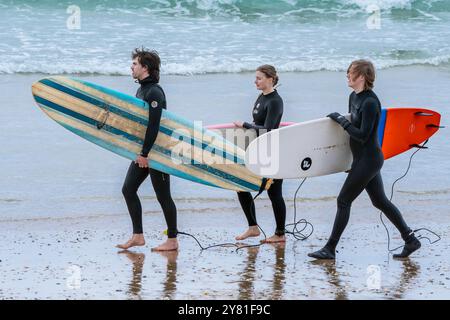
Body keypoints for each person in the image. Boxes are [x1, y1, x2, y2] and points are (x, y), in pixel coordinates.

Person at [308, 59, 421, 260]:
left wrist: (341, 120)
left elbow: (363, 135)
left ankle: (330, 248)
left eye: (350, 72)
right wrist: (347, 161)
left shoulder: (370, 102)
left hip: (370, 160)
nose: (347, 75)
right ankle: (410, 240)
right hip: (361, 160)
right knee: (380, 201)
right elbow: (352, 137)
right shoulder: (353, 96)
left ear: (361, 76)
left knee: (343, 200)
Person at [117, 48, 178, 252]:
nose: (131, 67)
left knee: (163, 196)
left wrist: (145, 154)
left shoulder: (154, 92)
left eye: (135, 63)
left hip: (158, 151)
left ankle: (172, 240)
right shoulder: (141, 89)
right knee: (128, 189)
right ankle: (138, 236)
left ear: (146, 68)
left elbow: (154, 125)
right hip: (144, 149)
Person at [233, 65, 286, 243]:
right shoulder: (261, 96)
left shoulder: (275, 101)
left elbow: (268, 129)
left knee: (275, 193)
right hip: (257, 149)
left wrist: (245, 125)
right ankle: (253, 227)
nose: (255, 81)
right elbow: (260, 123)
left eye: (259, 78)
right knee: (240, 185)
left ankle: (280, 234)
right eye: (255, 78)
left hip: (272, 151)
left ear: (270, 79)